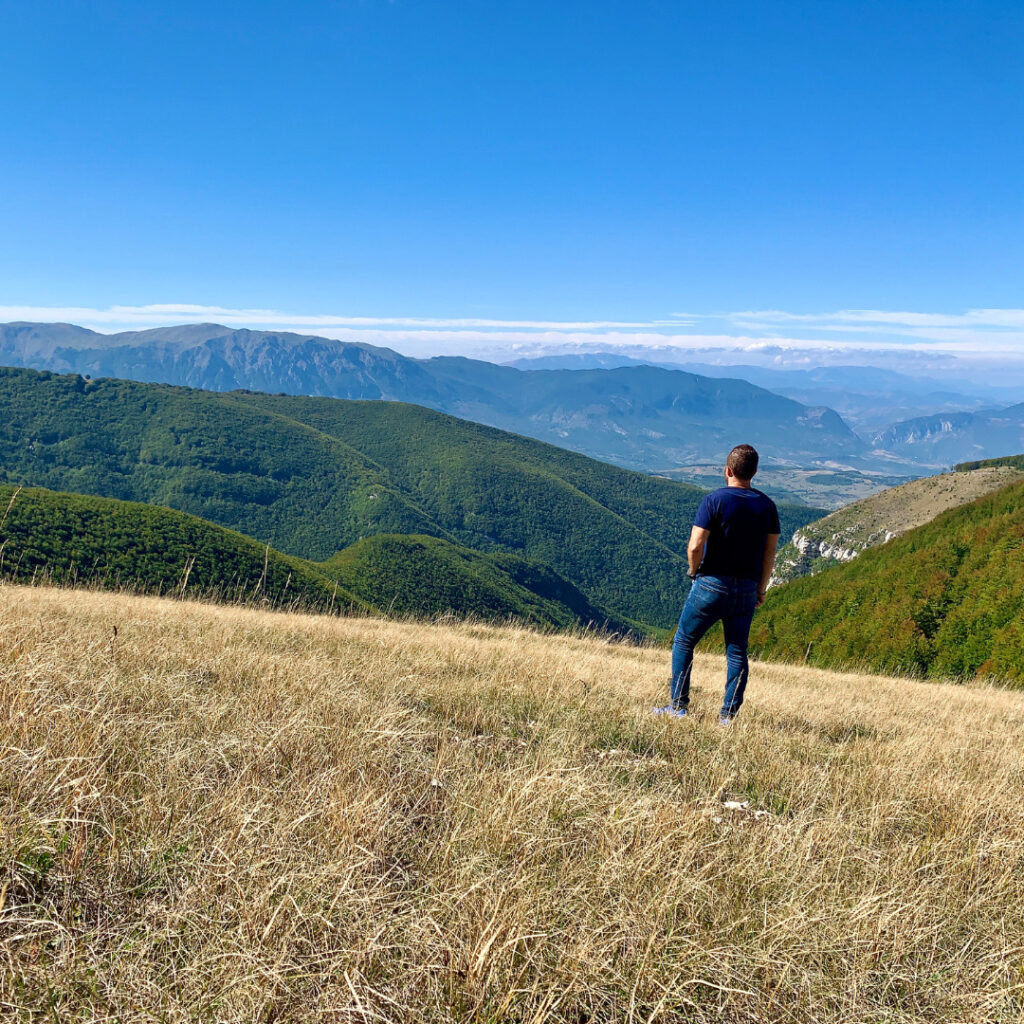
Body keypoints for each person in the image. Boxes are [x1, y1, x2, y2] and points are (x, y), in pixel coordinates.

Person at [654, 443, 780, 724]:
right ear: (754, 472)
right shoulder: (768, 506)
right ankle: (727, 717)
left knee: (685, 640)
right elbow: (769, 554)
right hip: (746, 588)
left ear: (728, 470)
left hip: (711, 583)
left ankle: (677, 706)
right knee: (736, 652)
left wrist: (693, 571)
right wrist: (760, 589)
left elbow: (695, 545)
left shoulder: (714, 500)